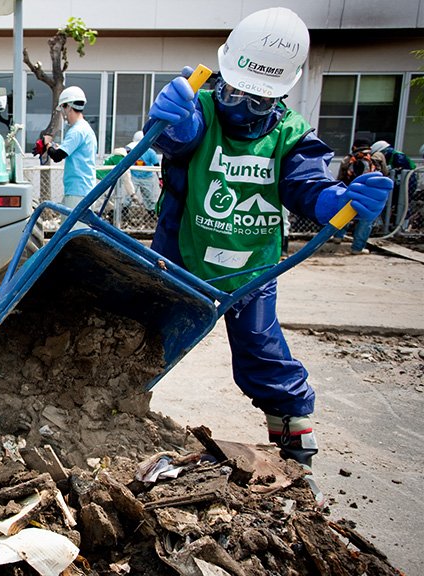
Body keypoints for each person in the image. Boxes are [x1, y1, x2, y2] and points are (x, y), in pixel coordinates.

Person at [144, 7, 391, 493]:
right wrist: (172, 122)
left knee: (262, 349)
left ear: (280, 94)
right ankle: (94, 406)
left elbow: (305, 185)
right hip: (179, 257)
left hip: (252, 268)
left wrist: (335, 201)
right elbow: (181, 142)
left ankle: (295, 442)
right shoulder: (204, 108)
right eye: (233, 91)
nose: (242, 107)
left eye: (257, 100)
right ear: (221, 77)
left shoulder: (290, 134)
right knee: (140, 335)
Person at [38, 86, 98, 222]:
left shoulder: (76, 131)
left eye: (63, 108)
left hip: (77, 191)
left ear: (68, 106)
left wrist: (47, 143)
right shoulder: (85, 129)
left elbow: (57, 156)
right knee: (75, 231)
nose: (63, 113)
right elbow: (66, 151)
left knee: (73, 234)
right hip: (82, 189)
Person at [337, 139, 389, 254]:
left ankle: (338, 236)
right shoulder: (377, 158)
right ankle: (357, 248)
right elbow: (384, 174)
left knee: (344, 214)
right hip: (369, 194)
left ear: (354, 147)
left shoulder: (347, 159)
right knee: (366, 220)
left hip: (350, 190)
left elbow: (340, 177)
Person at [125, 130, 162, 217]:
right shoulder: (132, 151)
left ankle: (152, 214)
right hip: (134, 176)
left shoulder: (150, 152)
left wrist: (160, 178)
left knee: (149, 197)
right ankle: (124, 213)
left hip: (147, 177)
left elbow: (157, 165)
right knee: (129, 196)